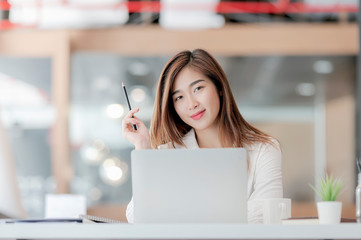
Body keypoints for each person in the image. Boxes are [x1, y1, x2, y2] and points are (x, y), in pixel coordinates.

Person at [122, 49, 283, 223]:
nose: (191, 104)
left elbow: (268, 213)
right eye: (179, 97)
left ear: (219, 87)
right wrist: (143, 148)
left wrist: (186, 217)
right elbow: (136, 217)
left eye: (198, 88)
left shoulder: (264, 149)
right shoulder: (169, 154)